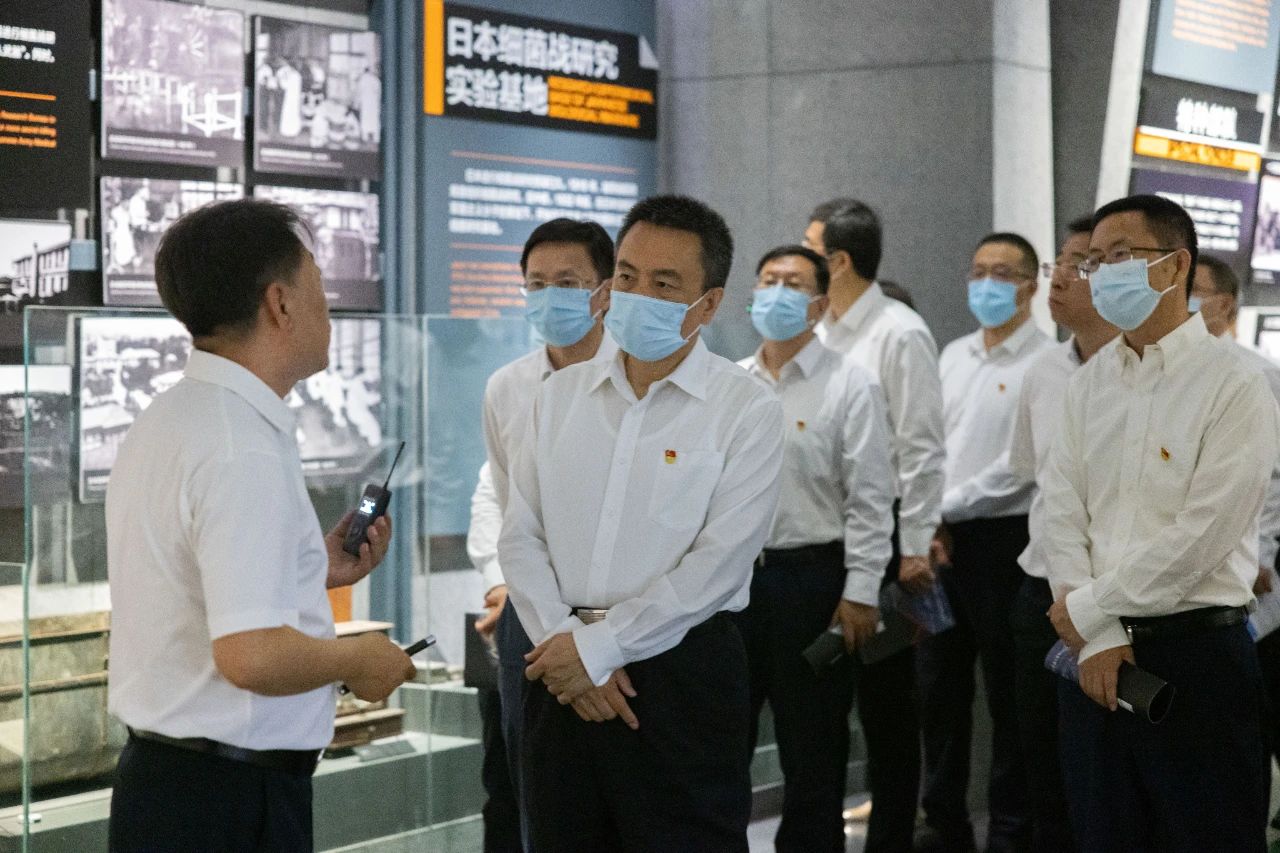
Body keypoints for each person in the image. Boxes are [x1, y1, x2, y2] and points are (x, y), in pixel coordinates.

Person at [106, 198, 416, 851]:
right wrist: (359, 657)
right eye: (318, 284)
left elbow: (196, 584)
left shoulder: (174, 416)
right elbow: (249, 654)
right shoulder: (239, 444)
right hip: (227, 802)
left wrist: (309, 567)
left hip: (175, 788)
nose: (328, 307)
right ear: (280, 303)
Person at [499, 195, 784, 850]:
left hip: (680, 671)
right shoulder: (556, 398)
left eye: (664, 284)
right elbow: (520, 534)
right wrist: (569, 646)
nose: (637, 296)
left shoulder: (745, 409)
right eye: (626, 276)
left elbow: (719, 565)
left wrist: (603, 649)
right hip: (557, 665)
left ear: (708, 305)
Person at [1043, 194, 1278, 852]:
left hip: (1196, 654)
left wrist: (1089, 609)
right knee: (1104, 834)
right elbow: (1061, 511)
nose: (1100, 273)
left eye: (1120, 255)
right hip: (1092, 658)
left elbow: (1205, 535)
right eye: (1093, 260)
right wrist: (1096, 631)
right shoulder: (1087, 386)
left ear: (1175, 266)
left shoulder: (1236, 383)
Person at [736, 245, 895, 852]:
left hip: (813, 584)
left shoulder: (851, 383)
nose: (777, 293)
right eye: (768, 280)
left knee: (813, 748)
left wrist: (861, 591)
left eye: (794, 284)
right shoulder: (731, 383)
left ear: (821, 304)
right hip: (732, 585)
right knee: (722, 741)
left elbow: (870, 498)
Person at [466, 217, 617, 852]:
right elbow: (499, 495)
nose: (550, 296)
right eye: (536, 283)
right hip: (529, 613)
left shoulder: (638, 377)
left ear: (605, 290)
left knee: (622, 797)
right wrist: (502, 583)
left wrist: (593, 644)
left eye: (568, 283)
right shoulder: (508, 387)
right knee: (533, 790)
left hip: (617, 616)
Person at [804, 199, 944, 852]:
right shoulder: (819, 330)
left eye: (808, 248)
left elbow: (921, 448)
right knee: (820, 703)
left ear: (838, 260)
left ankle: (891, 840)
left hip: (885, 539)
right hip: (821, 536)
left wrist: (912, 545)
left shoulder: (899, 332)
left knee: (886, 708)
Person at [918, 232, 1053, 852]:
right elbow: (929, 445)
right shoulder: (954, 356)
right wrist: (928, 519)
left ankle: (1010, 831)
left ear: (1030, 285)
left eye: (1002, 273)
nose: (987, 284)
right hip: (941, 544)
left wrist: (947, 507)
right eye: (978, 271)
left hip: (1006, 544)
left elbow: (1020, 469)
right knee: (938, 690)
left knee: (1009, 696)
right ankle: (943, 823)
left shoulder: (1046, 363)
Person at [1006, 215, 1117, 853]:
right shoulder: (1043, 371)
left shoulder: (1143, 371)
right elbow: (1030, 472)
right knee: (1042, 763)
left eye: (1084, 263)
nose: (1062, 277)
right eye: (1061, 262)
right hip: (1042, 589)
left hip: (1117, 593)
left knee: (1107, 775)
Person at [1189, 253, 1280, 813]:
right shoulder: (1173, 370)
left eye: (1193, 289)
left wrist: (1259, 556)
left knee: (1261, 704)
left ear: (1224, 304)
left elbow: (1271, 478)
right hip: (1198, 574)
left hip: (1253, 573)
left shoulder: (1255, 374)